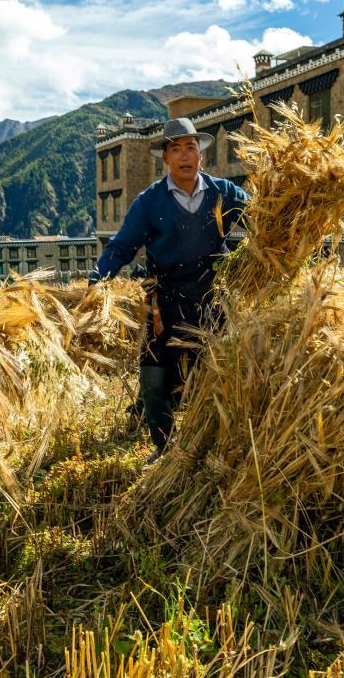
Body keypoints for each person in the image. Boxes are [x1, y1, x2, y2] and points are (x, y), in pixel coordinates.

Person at [89, 117, 248, 463]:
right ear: (165, 158)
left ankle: (214, 445)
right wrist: (96, 283)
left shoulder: (224, 193)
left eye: (191, 147)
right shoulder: (150, 202)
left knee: (218, 373)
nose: (185, 155)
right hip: (165, 300)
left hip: (211, 298)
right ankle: (164, 448)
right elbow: (121, 247)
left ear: (201, 154)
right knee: (154, 379)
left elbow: (262, 219)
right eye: (176, 149)